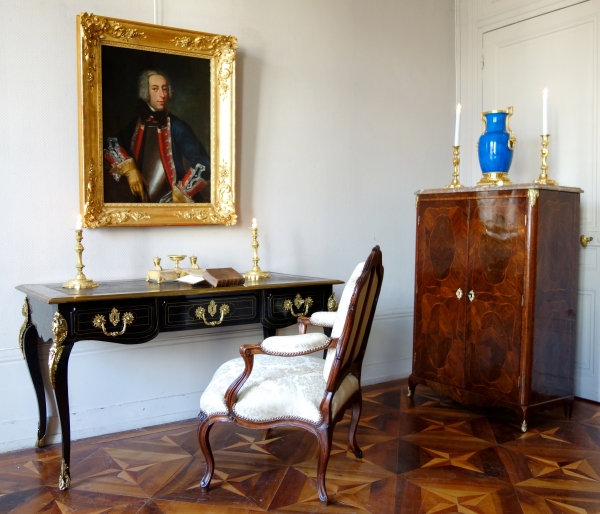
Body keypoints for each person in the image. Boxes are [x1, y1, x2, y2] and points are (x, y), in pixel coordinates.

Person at [104, 70, 210, 203]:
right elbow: (111, 142)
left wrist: (180, 194)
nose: (162, 94)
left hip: (171, 203)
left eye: (165, 89)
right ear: (145, 92)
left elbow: (204, 164)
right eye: (155, 89)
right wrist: (130, 170)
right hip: (140, 202)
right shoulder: (137, 122)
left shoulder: (178, 126)